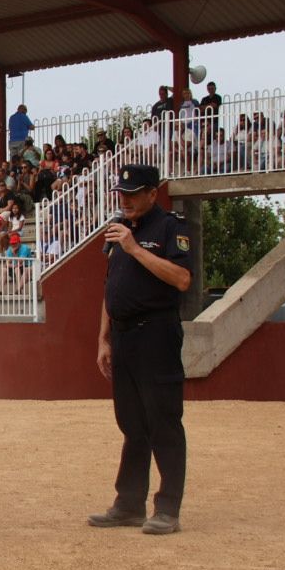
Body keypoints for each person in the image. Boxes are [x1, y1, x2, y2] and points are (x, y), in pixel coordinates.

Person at [90, 163, 192, 537]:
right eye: (122, 194)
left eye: (133, 194)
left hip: (157, 335)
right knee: (132, 424)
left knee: (163, 420)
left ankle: (167, 508)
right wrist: (104, 338)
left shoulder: (170, 227)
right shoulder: (120, 232)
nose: (126, 200)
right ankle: (129, 504)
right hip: (124, 337)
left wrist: (134, 249)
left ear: (153, 193)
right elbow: (110, 287)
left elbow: (182, 279)